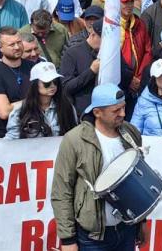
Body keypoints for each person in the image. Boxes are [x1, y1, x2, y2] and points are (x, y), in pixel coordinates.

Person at [51, 84, 145, 251]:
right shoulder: (74, 140)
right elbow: (62, 191)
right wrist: (67, 240)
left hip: (126, 229)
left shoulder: (131, 133)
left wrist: (141, 222)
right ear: (97, 112)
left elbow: (139, 181)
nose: (123, 114)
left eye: (123, 107)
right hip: (92, 237)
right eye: (116, 111)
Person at [0, 27, 35, 139]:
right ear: (0, 48)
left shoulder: (33, 67)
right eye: (12, 45)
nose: (17, 47)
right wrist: (35, 100)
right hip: (5, 136)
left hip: (33, 132)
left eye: (19, 42)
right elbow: (4, 112)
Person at [6, 61, 79, 139]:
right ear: (35, 84)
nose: (52, 86)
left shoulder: (67, 106)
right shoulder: (21, 110)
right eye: (47, 83)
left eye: (55, 81)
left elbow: (74, 133)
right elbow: (12, 139)